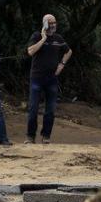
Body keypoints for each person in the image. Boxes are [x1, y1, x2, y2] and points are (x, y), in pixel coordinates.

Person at [25, 14, 72, 144]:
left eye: (54, 22)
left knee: (50, 110)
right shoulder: (36, 36)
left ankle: (46, 136)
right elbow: (30, 51)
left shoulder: (58, 38)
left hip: (52, 79)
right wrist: (43, 38)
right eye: (50, 23)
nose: (53, 25)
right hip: (36, 78)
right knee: (33, 109)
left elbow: (68, 51)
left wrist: (61, 65)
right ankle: (30, 137)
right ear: (44, 24)